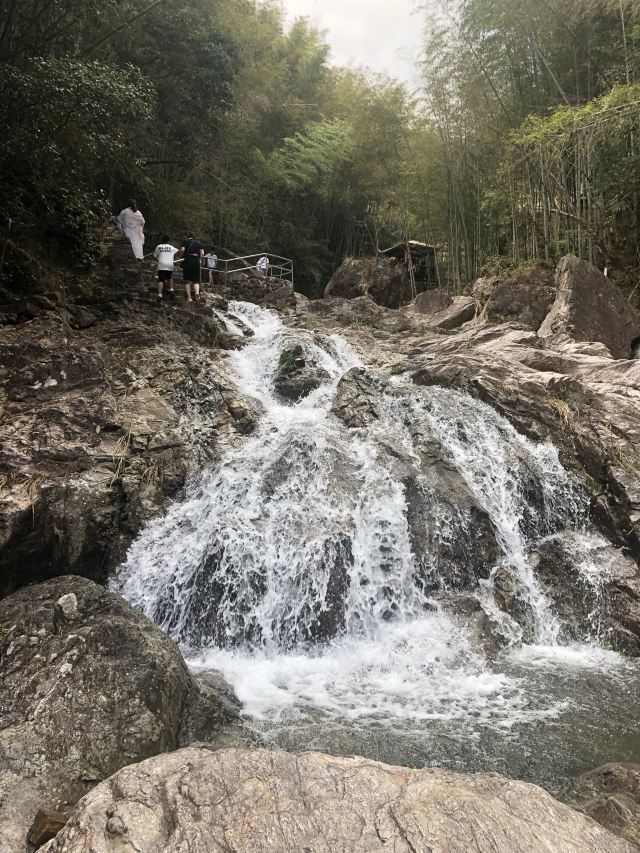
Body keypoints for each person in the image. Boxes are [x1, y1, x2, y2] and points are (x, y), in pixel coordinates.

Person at [153, 234, 179, 302]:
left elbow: (155, 256)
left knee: (161, 280)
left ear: (161, 240)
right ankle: (171, 290)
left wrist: (159, 259)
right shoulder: (171, 247)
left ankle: (160, 295)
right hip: (169, 264)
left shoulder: (159, 246)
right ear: (168, 241)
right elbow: (177, 251)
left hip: (162, 264)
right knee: (169, 278)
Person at [180, 232, 204, 301]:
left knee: (187, 280)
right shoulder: (199, 243)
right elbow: (202, 253)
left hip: (188, 260)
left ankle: (189, 298)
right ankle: (197, 293)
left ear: (188, 236)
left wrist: (182, 255)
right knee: (195, 280)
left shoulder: (185, 241)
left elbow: (182, 249)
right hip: (196, 261)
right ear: (194, 237)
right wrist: (199, 259)